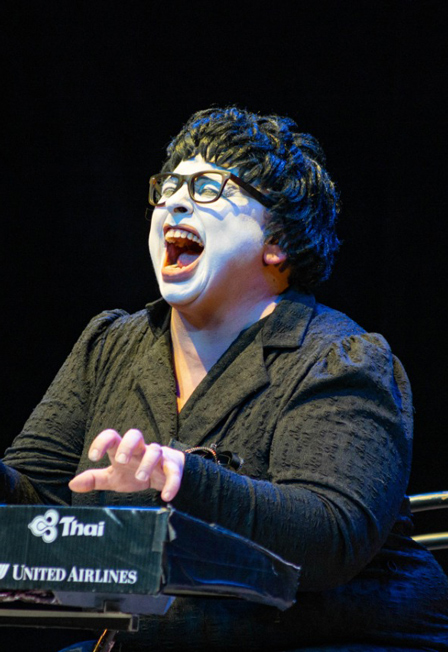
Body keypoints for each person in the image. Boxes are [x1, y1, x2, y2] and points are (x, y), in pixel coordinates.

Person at [1, 106, 447, 651]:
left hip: (334, 639)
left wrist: (184, 478)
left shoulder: (340, 358)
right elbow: (27, 517)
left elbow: (328, 538)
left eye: (209, 188)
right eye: (169, 186)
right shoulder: (110, 345)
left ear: (277, 241)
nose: (175, 201)